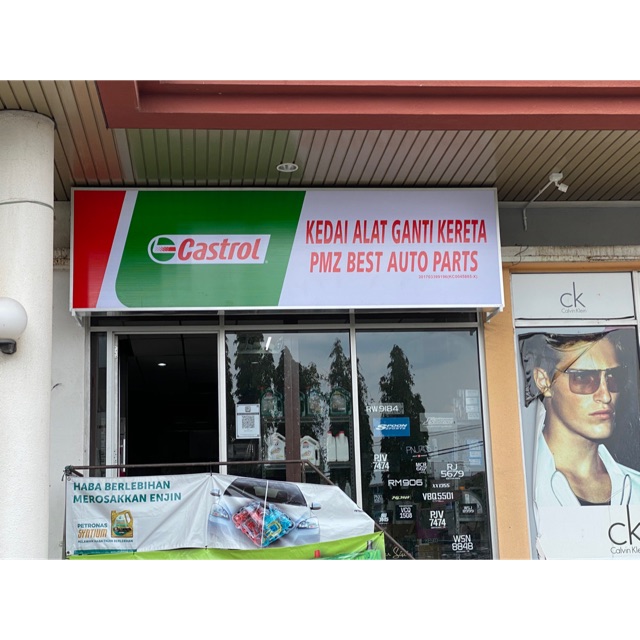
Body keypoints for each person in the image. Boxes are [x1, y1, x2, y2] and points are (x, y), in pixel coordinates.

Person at [520, 330, 640, 509]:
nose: (606, 396)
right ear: (544, 382)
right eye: (583, 378)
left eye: (613, 377)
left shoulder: (635, 488)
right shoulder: (524, 485)